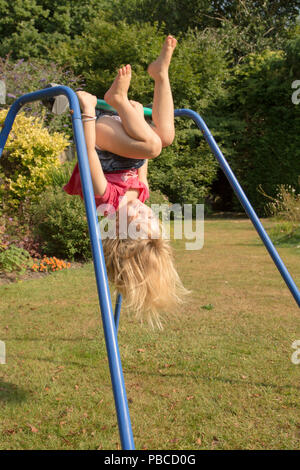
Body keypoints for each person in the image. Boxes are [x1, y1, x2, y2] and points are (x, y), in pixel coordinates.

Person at [64, 36, 188, 327]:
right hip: (124, 137)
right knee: (164, 137)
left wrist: (87, 112)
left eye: (141, 219)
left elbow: (87, 153)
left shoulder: (104, 200)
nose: (147, 211)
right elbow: (141, 163)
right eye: (152, 217)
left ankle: (115, 99)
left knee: (155, 146)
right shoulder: (140, 195)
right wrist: (134, 119)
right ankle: (160, 74)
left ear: (120, 228)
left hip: (98, 135)